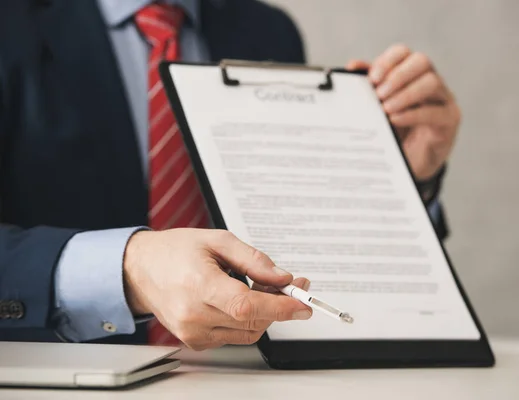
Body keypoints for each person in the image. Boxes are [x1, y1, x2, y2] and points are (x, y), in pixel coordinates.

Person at [0, 0, 460, 349]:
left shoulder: (266, 32)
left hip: (250, 377)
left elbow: (296, 237)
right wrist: (129, 267)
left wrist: (395, 179)